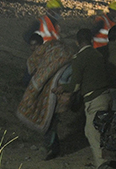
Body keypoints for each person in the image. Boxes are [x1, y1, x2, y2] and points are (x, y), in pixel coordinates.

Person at [61, 28, 115, 167]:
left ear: (77, 42)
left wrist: (61, 88)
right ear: (92, 40)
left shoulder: (79, 58)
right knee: (102, 132)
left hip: (94, 100)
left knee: (93, 133)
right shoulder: (98, 55)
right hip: (106, 96)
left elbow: (75, 86)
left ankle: (103, 165)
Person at [17, 32, 72, 160]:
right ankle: (52, 147)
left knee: (50, 122)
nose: (33, 48)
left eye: (35, 45)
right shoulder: (37, 57)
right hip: (50, 92)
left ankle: (53, 148)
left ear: (41, 44)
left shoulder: (48, 52)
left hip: (55, 92)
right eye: (31, 46)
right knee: (51, 122)